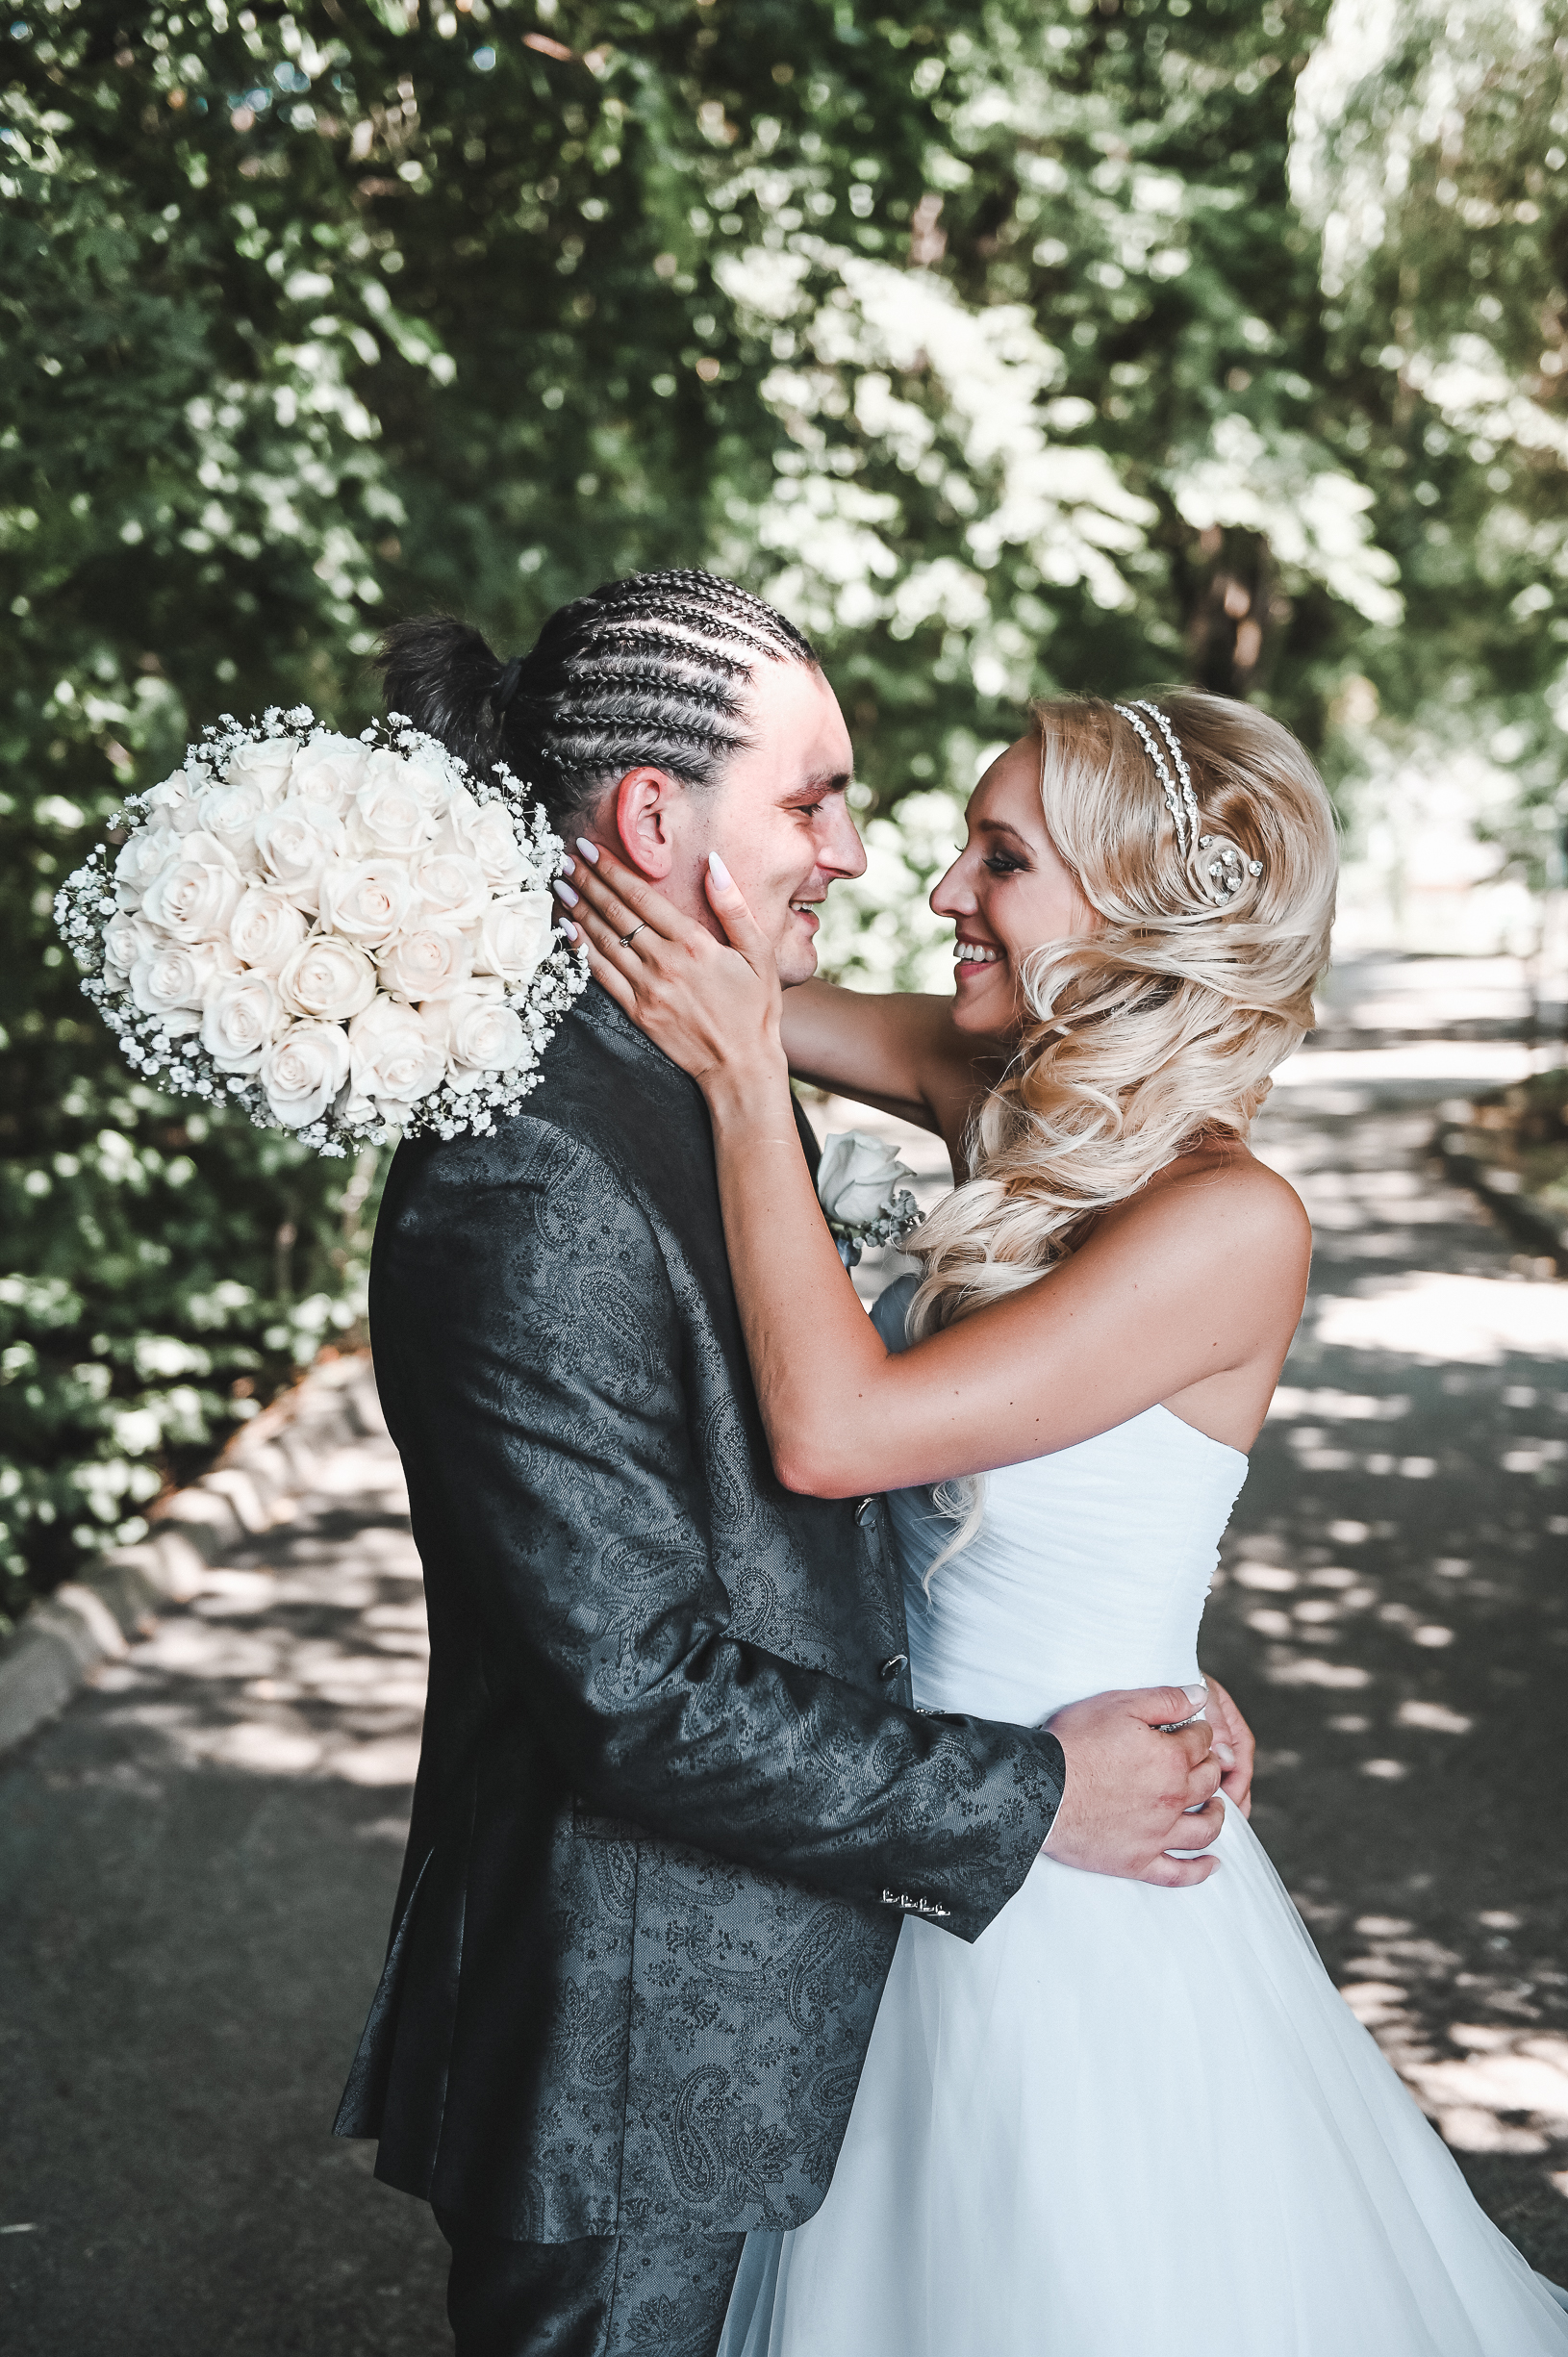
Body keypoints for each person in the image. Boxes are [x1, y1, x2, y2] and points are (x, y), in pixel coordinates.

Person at [560, 688, 1568, 2355]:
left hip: (1081, 1876)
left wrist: (743, 1092)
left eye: (1001, 857)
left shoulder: (1233, 1221)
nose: (942, 889)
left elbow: (836, 1431)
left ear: (1142, 908)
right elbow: (719, 985)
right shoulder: (993, 1088)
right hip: (907, 1812)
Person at [332, 575, 1256, 2357]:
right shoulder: (537, 1162)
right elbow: (637, 1693)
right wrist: (1032, 1788)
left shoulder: (683, 1072)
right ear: (652, 818)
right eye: (815, 797)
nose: (859, 852)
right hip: (640, 2040)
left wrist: (1127, 1647)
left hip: (804, 1974)